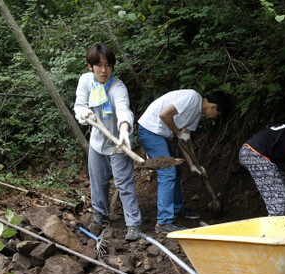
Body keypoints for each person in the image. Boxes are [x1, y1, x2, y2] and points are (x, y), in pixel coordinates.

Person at [74, 44, 143, 241]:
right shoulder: (86, 81)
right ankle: (100, 216)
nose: (104, 70)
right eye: (99, 65)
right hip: (97, 140)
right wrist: (83, 113)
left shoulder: (117, 87)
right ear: (90, 66)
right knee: (97, 181)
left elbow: (124, 110)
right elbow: (79, 104)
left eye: (108, 65)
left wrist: (123, 131)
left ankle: (134, 225)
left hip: (119, 141)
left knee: (124, 183)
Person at [137, 89, 231, 234]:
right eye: (217, 115)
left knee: (177, 169)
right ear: (214, 107)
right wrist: (178, 133)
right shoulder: (192, 98)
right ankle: (164, 222)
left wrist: (194, 166)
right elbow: (164, 114)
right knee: (168, 172)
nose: (214, 118)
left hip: (160, 134)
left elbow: (184, 142)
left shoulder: (196, 115)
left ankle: (176, 209)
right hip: (150, 130)